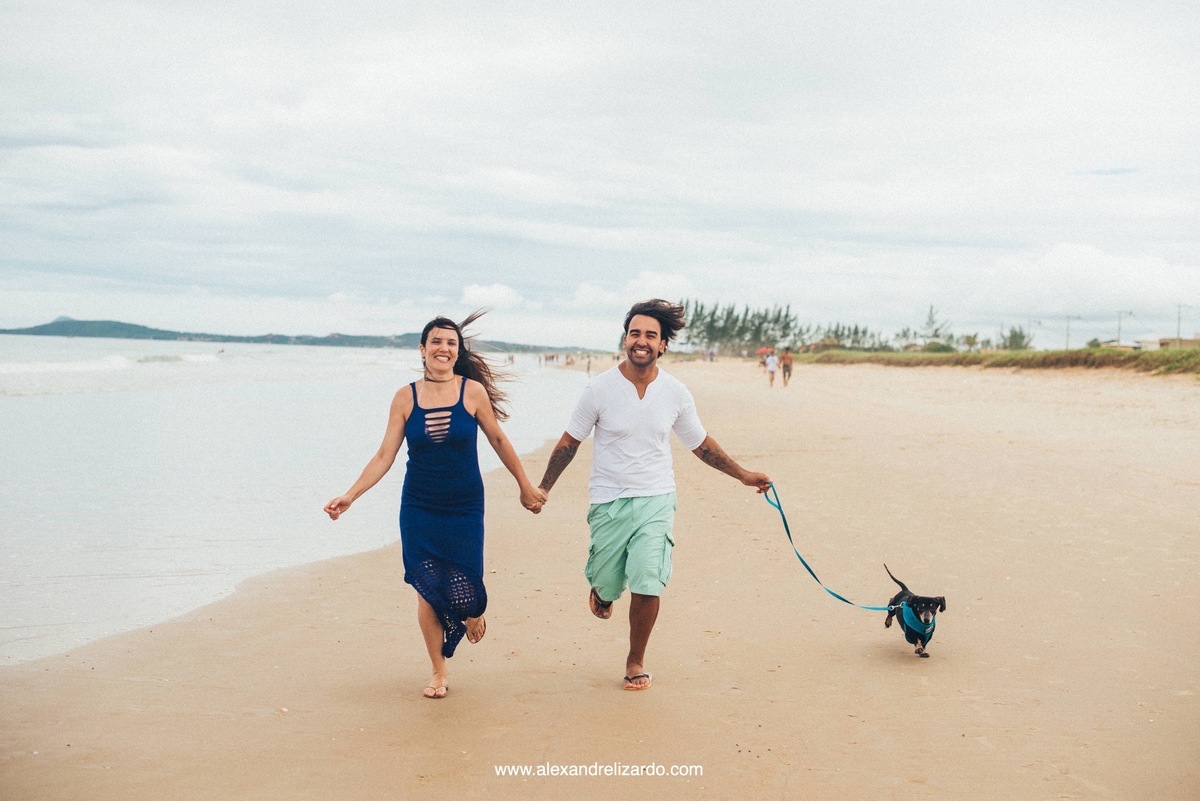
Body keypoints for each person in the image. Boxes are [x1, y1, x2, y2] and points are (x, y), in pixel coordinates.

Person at [530, 299, 771, 691]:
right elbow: (569, 443)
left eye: (650, 336)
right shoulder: (599, 389)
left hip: (656, 497)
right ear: (626, 339)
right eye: (635, 333)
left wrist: (742, 475)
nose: (641, 341)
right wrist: (543, 488)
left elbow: (700, 444)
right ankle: (603, 592)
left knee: (648, 579)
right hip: (609, 500)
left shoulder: (675, 392)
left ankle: (635, 659)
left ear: (663, 345)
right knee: (608, 583)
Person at [324, 311, 545, 699]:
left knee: (468, 588)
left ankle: (472, 613)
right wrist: (350, 495)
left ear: (457, 352)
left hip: (464, 506)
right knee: (426, 587)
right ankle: (438, 671)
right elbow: (383, 456)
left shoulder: (472, 392)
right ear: (422, 349)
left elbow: (498, 440)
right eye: (437, 342)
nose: (444, 348)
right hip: (419, 507)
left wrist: (524, 486)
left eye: (451, 343)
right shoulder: (405, 397)